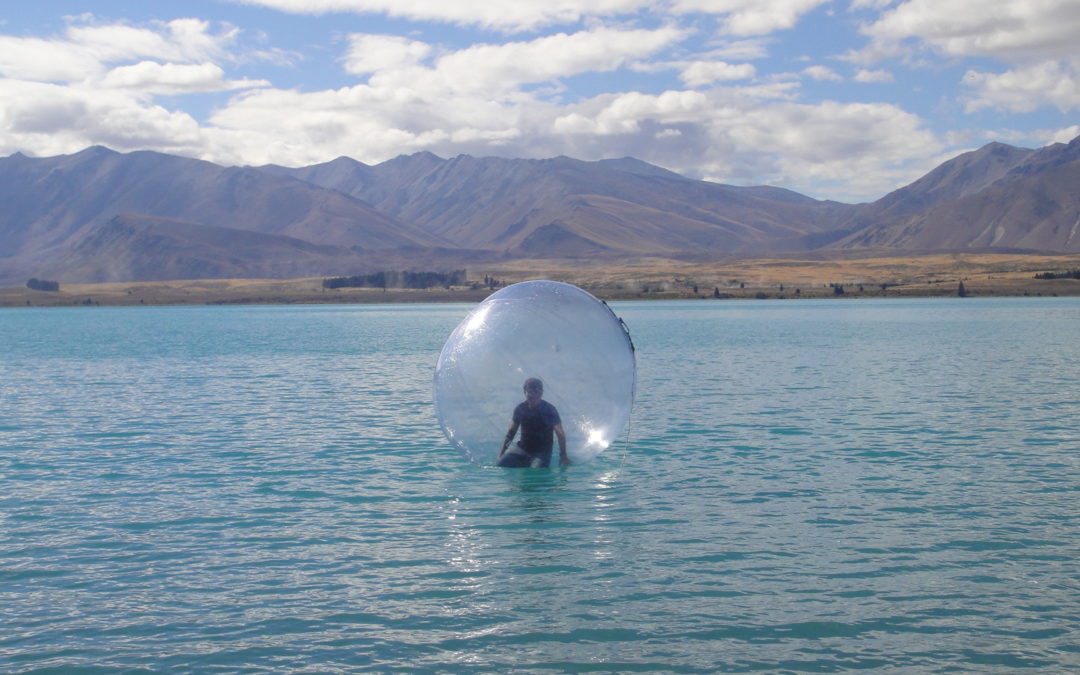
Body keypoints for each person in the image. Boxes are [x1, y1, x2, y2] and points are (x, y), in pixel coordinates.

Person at [498, 377, 569, 468]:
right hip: (523, 449)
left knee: (535, 471)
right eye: (530, 392)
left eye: (536, 392)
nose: (533, 395)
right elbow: (511, 432)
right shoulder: (520, 409)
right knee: (501, 463)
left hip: (542, 453)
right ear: (525, 393)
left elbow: (560, 433)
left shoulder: (549, 410)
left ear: (542, 393)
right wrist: (502, 453)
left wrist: (563, 456)